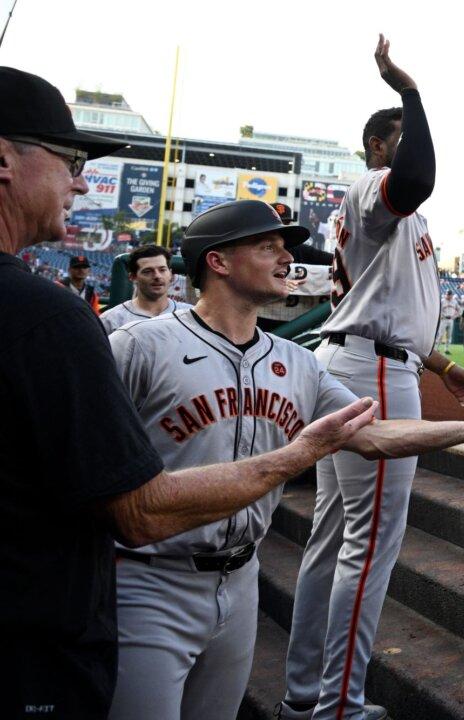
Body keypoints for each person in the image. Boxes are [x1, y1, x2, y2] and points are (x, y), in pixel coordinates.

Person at [0, 66, 384, 720]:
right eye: (69, 159)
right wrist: (295, 456)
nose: (81, 179)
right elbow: (138, 511)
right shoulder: (69, 324)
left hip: (229, 583)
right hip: (58, 624)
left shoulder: (288, 357)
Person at [104, 200, 464, 720]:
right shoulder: (137, 347)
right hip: (150, 582)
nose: (285, 257)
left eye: (284, 247)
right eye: (266, 246)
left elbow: (373, 434)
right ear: (218, 263)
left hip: (241, 581)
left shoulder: (296, 361)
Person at [278, 36, 464, 720]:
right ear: (375, 148)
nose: (412, 145)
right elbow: (418, 176)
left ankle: (305, 692)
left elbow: (386, 309)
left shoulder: (396, 217)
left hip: (367, 355)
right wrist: (412, 93)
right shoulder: (376, 189)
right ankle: (339, 705)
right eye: (399, 137)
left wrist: (445, 365)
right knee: (366, 547)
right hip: (370, 367)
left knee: (335, 536)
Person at [99, 244, 192, 334]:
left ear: (170, 273)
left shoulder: (190, 314)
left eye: (162, 270)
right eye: (147, 271)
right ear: (133, 277)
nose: (157, 276)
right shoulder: (111, 319)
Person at [437, 288, 458, 354]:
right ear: (446, 294)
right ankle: (436, 349)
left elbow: (459, 310)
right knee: (440, 335)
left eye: (450, 294)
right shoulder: (442, 301)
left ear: (452, 295)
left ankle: (446, 349)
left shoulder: (454, 302)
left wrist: (454, 316)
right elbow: (437, 310)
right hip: (443, 319)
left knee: (449, 335)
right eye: (447, 294)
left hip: (450, 320)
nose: (448, 295)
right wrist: (441, 316)